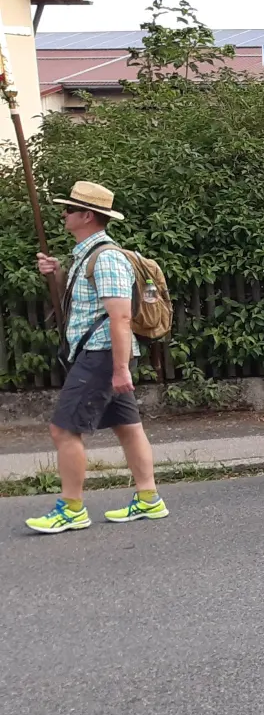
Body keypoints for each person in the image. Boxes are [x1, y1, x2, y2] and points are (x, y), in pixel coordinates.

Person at [26, 182, 169, 533]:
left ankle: (72, 508)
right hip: (103, 356)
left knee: (63, 429)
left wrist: (120, 369)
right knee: (127, 426)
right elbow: (87, 307)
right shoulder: (86, 256)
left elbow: (120, 317)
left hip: (102, 357)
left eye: (70, 210)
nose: (64, 214)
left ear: (87, 216)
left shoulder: (105, 258)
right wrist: (57, 273)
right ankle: (149, 500)